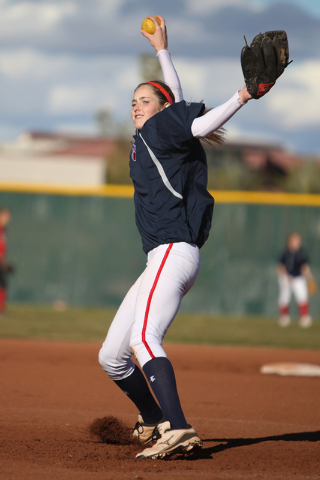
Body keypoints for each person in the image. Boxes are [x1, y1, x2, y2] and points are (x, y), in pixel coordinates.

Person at [98, 16, 255, 460]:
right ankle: (153, 419)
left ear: (161, 109)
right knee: (112, 356)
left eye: (144, 100)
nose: (135, 106)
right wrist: (162, 50)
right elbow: (179, 105)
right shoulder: (157, 137)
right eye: (132, 100)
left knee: (143, 339)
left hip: (172, 250)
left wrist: (243, 95)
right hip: (162, 259)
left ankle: (180, 428)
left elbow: (196, 122)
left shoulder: (159, 129)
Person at [278, 232, 314, 328]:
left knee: (302, 297)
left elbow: (304, 267)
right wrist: (286, 276)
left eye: (298, 240)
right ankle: (284, 317)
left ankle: (304, 318)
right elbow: (281, 266)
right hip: (287, 277)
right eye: (295, 240)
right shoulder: (286, 253)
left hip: (298, 277)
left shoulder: (302, 253)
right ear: (290, 241)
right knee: (284, 297)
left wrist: (310, 278)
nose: (297, 242)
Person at [0, 207, 12, 314]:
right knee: (3, 282)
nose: (8, 218)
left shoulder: (3, 229)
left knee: (3, 283)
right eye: (5, 215)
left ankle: (2, 308)